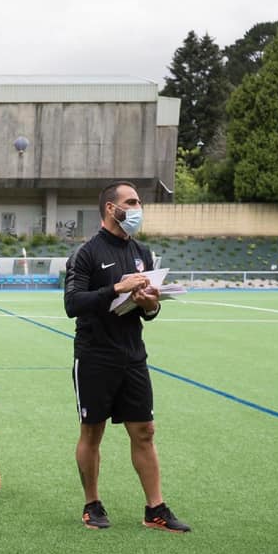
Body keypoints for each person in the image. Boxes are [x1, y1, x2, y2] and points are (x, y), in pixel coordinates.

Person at [64, 180, 190, 533]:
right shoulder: (86, 253)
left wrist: (150, 306)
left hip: (133, 356)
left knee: (145, 431)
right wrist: (115, 288)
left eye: (138, 203)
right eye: (131, 202)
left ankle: (156, 509)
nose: (137, 209)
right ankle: (92, 504)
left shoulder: (142, 253)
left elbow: (145, 310)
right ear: (111, 208)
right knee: (93, 432)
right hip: (94, 356)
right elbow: (72, 304)